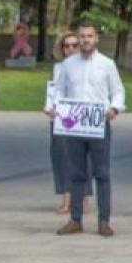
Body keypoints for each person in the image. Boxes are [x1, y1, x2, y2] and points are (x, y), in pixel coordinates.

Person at [53, 22, 126, 237]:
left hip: (98, 125)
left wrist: (114, 108)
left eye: (89, 36)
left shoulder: (107, 64)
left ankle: (104, 221)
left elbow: (118, 92)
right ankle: (75, 219)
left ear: (96, 39)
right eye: (82, 36)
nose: (85, 40)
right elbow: (59, 91)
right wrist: (55, 108)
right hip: (75, 126)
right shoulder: (68, 65)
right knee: (76, 174)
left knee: (102, 173)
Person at [47, 32, 88, 215]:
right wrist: (49, 107)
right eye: (67, 46)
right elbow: (53, 91)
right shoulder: (58, 68)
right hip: (62, 117)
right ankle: (66, 197)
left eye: (74, 45)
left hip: (83, 117)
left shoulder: (89, 65)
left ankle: (83, 197)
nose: (70, 49)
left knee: (84, 158)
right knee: (61, 156)